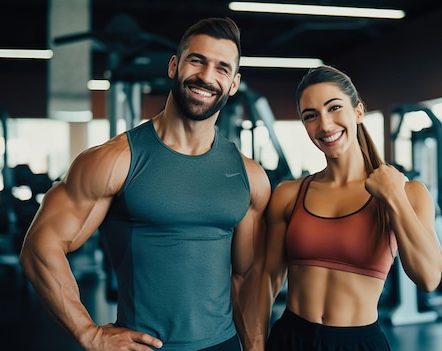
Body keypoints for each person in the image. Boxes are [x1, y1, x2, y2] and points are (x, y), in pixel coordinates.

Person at [19, 17, 271, 351]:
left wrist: (254, 347)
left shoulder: (249, 176)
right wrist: (88, 333)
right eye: (197, 60)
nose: (207, 76)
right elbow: (40, 245)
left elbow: (247, 277)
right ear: (173, 66)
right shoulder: (114, 160)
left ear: (234, 83)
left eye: (222, 68)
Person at [261, 65, 442, 350]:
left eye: (334, 108)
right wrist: (254, 342)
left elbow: (429, 278)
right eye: (310, 116)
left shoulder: (410, 193)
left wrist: (393, 197)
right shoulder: (289, 194)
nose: (324, 125)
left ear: (358, 111)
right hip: (289, 339)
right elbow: (267, 281)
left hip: (358, 342)